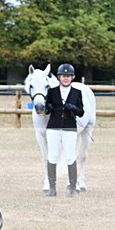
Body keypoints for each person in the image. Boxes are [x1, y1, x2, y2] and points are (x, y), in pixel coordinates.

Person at [45, 63, 84, 197]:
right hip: (54, 127)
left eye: (68, 76)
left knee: (70, 156)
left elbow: (81, 112)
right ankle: (52, 187)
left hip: (69, 127)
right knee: (52, 156)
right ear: (59, 77)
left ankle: (73, 187)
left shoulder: (77, 93)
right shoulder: (52, 91)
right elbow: (46, 108)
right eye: (63, 76)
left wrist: (72, 108)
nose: (65, 78)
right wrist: (49, 106)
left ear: (72, 77)